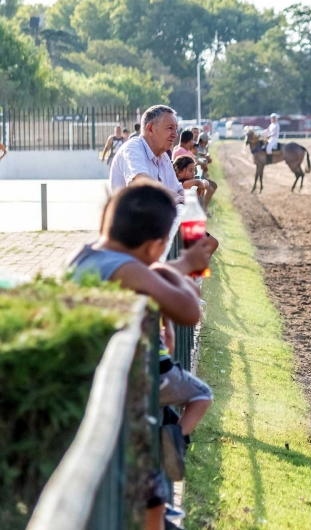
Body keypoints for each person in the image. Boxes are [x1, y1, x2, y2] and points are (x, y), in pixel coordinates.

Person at [66, 182, 215, 527]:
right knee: (149, 487)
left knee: (148, 486)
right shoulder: (129, 270)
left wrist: (163, 270)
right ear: (155, 246)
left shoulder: (84, 255)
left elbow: (149, 281)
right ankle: (176, 444)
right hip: (120, 394)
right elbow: (189, 312)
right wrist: (183, 266)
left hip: (101, 383)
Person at [109, 105, 185, 204]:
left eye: (176, 129)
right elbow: (142, 181)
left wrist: (191, 199)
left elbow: (177, 189)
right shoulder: (132, 148)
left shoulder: (163, 156)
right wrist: (176, 198)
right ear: (150, 129)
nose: (175, 134)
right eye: (170, 128)